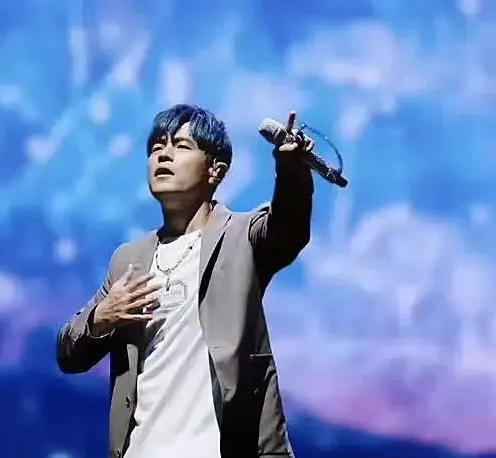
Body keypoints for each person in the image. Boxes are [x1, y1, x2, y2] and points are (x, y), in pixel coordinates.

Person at [56, 104, 315, 457]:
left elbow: (289, 226)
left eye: (181, 146)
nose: (163, 155)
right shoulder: (129, 260)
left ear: (215, 171)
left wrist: (291, 169)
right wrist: (100, 318)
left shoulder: (242, 237)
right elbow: (69, 355)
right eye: (156, 147)